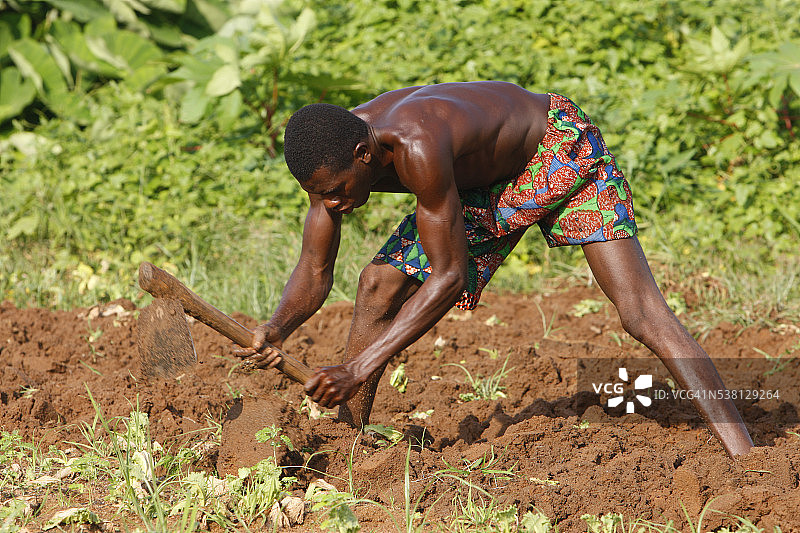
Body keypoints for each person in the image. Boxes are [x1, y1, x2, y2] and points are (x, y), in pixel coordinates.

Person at [235, 81, 754, 458]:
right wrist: (277, 327)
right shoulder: (329, 159)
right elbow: (314, 268)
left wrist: (357, 368)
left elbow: (449, 277)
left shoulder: (415, 144)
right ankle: (351, 444)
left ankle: (746, 455)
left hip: (557, 152)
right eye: (319, 195)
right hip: (483, 185)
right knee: (377, 285)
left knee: (641, 312)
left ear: (363, 154)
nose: (331, 203)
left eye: (335, 191)